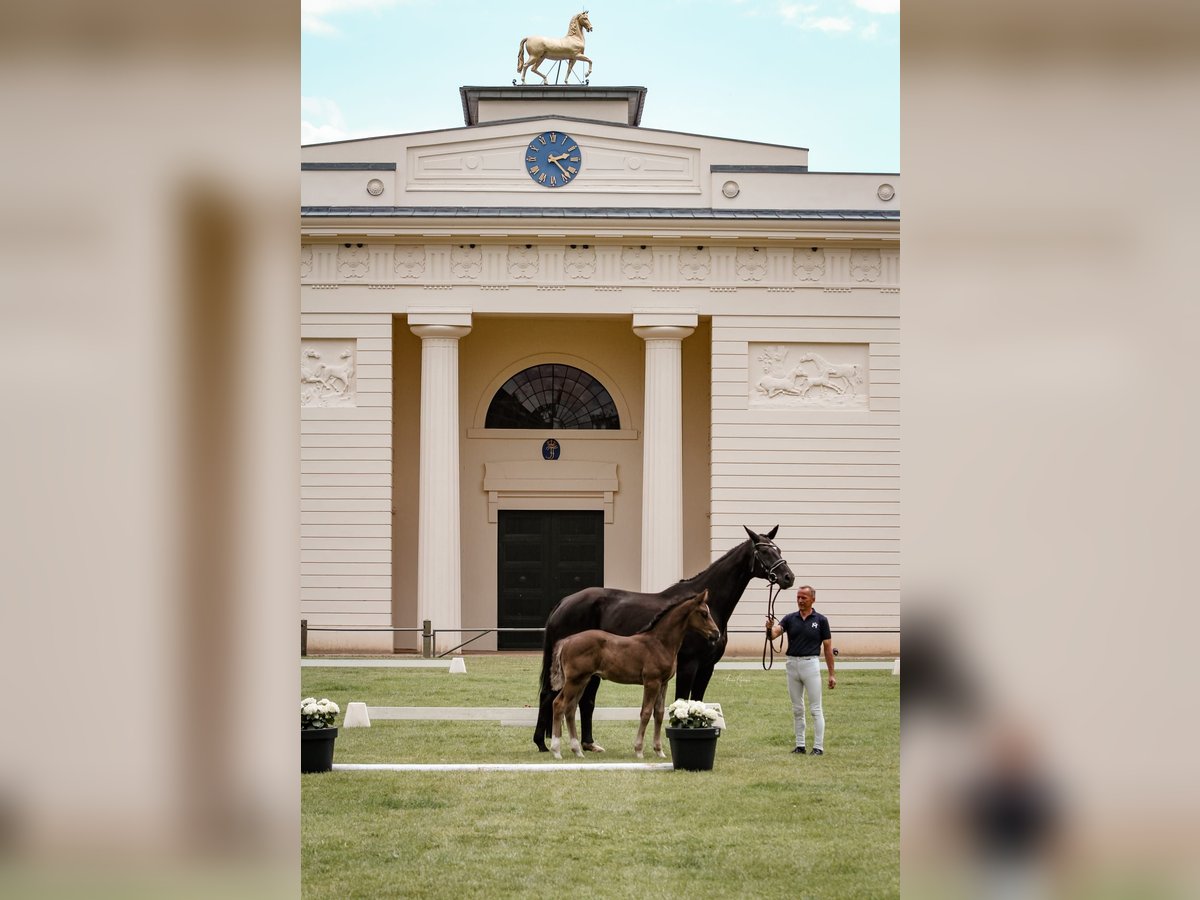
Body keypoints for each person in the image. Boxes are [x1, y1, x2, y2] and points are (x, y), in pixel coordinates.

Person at [766, 584, 836, 754]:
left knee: (815, 708)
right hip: (792, 665)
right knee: (797, 708)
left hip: (810, 664)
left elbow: (827, 649)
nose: (800, 600)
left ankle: (818, 747)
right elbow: (774, 634)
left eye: (804, 597)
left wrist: (831, 674)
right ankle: (800, 745)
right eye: (798, 597)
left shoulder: (821, 620)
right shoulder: (790, 618)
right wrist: (769, 628)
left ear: (813, 599)